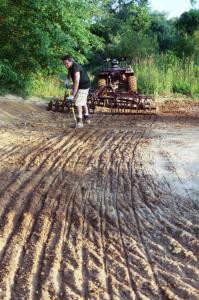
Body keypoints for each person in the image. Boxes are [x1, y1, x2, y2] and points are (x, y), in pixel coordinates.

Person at [62, 55, 91, 128]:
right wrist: (68, 79)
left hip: (83, 85)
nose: (66, 65)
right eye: (64, 64)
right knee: (82, 100)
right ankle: (87, 118)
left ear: (71, 61)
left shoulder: (75, 67)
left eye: (67, 63)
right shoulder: (70, 66)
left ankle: (80, 122)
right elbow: (69, 71)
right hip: (82, 84)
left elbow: (77, 81)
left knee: (78, 102)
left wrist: (73, 95)